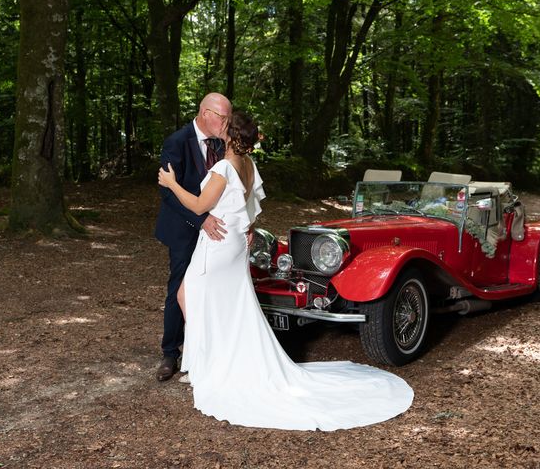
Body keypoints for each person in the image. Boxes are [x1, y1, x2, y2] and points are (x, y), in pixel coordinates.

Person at [157, 111, 413, 431]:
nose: (220, 128)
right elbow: (250, 209)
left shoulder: (224, 167)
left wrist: (170, 183)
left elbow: (197, 206)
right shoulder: (249, 166)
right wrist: (247, 229)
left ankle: (209, 365)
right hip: (235, 242)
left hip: (218, 247)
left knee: (191, 294)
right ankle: (206, 361)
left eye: (225, 126)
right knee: (219, 302)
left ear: (231, 136)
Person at [154, 92, 232, 382]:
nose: (225, 123)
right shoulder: (177, 141)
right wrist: (201, 220)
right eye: (222, 117)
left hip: (219, 229)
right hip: (185, 227)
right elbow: (166, 192)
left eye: (228, 118)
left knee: (213, 286)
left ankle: (208, 348)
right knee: (180, 287)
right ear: (205, 113)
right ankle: (170, 353)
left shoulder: (227, 144)